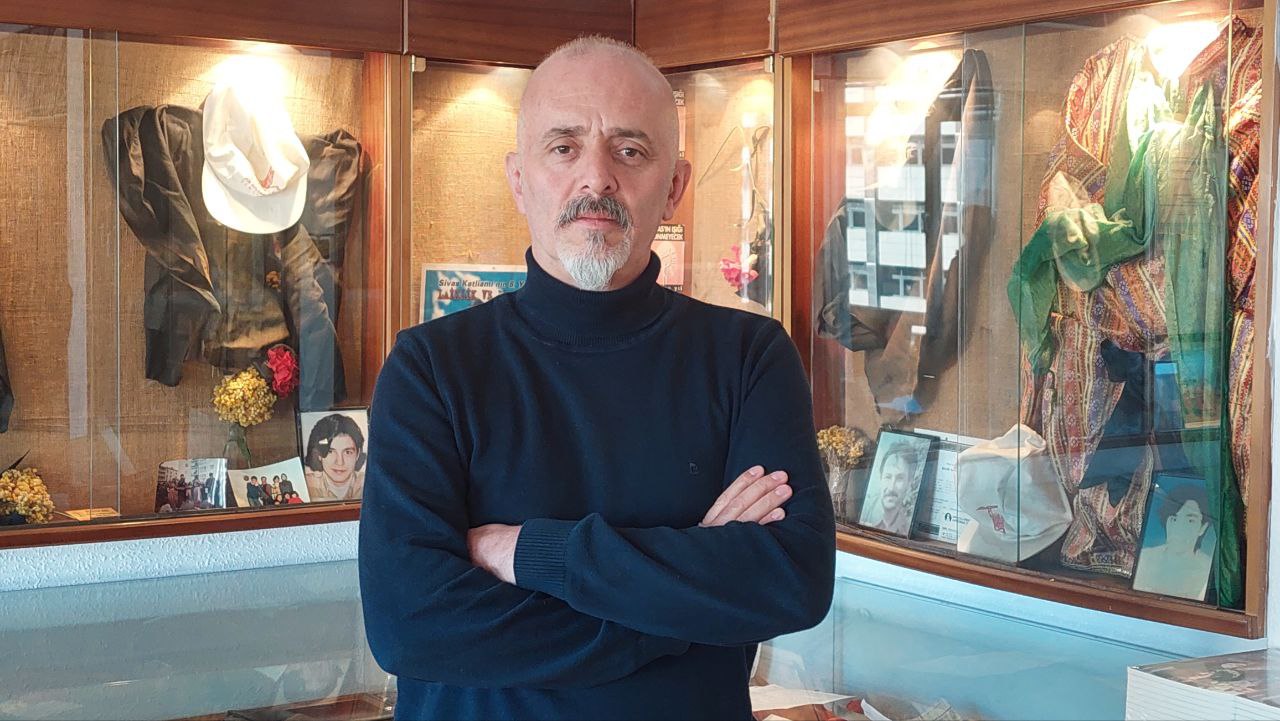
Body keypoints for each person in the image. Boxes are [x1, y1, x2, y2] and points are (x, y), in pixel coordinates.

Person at [359, 36, 835, 720]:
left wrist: (531, 552)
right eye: (564, 147)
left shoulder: (748, 357)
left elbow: (792, 580)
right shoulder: (430, 369)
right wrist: (685, 605)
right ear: (518, 179)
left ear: (674, 187)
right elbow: (412, 626)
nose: (597, 178)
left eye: (630, 150)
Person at [1133, 485, 1215, 600]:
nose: (1179, 528)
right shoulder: (1145, 558)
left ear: (1203, 527)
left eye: (1190, 521)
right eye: (1174, 519)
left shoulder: (1207, 569)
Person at [863, 442, 921, 536]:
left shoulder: (908, 526)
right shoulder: (864, 514)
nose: (891, 487)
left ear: (909, 482)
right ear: (880, 478)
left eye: (899, 478)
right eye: (888, 477)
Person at [305, 414, 366, 500]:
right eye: (330, 452)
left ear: (358, 454)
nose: (340, 462)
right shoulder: (306, 484)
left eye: (348, 452)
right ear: (319, 454)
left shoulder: (369, 483)